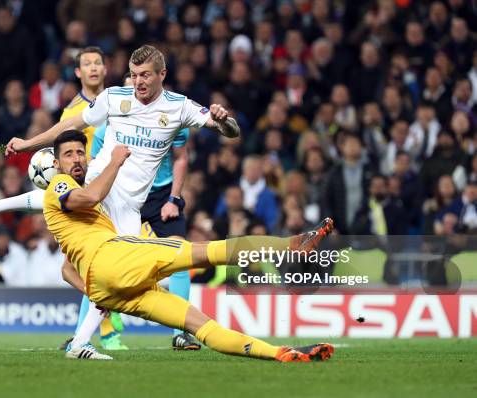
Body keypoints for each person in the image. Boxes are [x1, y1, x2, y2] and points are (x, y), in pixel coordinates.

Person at [0, 45, 241, 359]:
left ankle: (79, 343)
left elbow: (230, 131)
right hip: (99, 180)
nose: (138, 82)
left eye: (146, 75)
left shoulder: (179, 107)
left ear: (162, 75)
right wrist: (29, 144)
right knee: (58, 201)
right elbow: (70, 125)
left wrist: (223, 120)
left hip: (128, 206)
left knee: (116, 283)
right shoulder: (114, 98)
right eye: (135, 75)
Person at [45, 130, 335, 362]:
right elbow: (90, 197)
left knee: (200, 324)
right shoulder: (58, 185)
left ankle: (278, 353)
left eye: (80, 152)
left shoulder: (78, 218)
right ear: (56, 164)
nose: (77, 159)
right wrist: (116, 161)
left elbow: (66, 268)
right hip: (116, 258)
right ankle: (290, 245)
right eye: (68, 154)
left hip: (110, 289)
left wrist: (94, 292)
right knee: (204, 251)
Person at [87, 73, 198, 350]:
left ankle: (181, 332)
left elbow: (181, 158)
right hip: (121, 195)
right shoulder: (106, 130)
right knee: (99, 262)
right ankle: (82, 334)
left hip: (161, 194)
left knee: (181, 254)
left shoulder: (172, 117)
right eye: (127, 90)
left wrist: (174, 198)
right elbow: (95, 167)